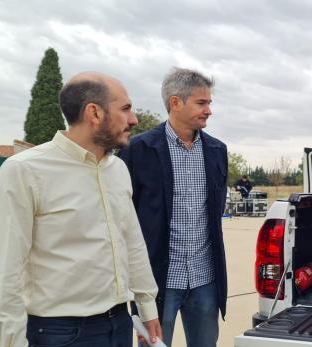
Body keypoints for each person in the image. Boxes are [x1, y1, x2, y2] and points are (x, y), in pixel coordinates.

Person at [0, 72, 162, 347]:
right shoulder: (25, 171)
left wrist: (147, 308)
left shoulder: (118, 169)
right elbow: (7, 270)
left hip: (119, 324)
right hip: (58, 333)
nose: (134, 119)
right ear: (94, 113)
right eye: (125, 109)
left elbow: (132, 242)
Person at [118, 67, 228, 347]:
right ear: (175, 102)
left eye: (209, 103)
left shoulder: (217, 151)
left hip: (205, 280)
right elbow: (123, 217)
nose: (209, 110)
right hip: (157, 282)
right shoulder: (137, 150)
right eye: (202, 103)